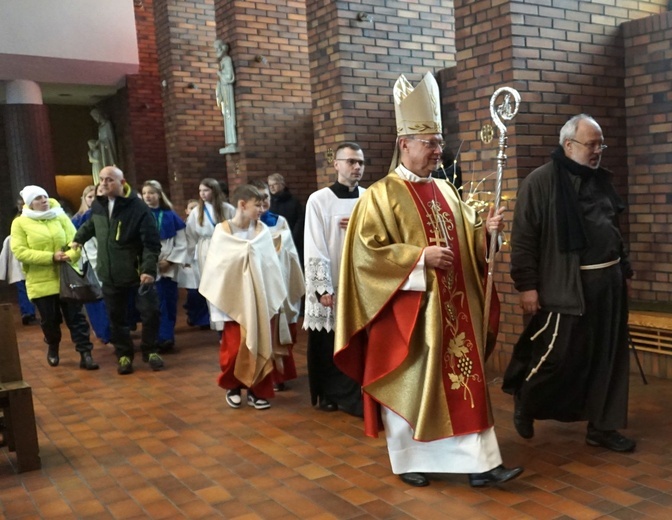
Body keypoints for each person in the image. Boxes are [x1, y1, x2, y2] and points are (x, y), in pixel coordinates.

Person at [334, 72, 522, 488]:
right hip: (409, 316)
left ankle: (481, 464)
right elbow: (366, 255)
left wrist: (486, 232)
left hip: (454, 311)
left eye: (439, 142)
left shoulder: (446, 189)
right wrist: (419, 258)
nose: (439, 150)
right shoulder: (380, 194)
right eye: (430, 143)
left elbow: (469, 238)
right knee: (413, 382)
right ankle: (408, 460)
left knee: (465, 380)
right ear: (405, 144)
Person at [502, 114, 635, 453]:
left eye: (600, 144)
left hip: (609, 283)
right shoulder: (541, 181)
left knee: (608, 359)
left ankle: (602, 427)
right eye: (591, 144)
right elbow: (524, 239)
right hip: (567, 285)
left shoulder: (601, 179)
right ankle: (526, 399)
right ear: (568, 145)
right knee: (558, 357)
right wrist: (526, 286)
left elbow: (613, 229)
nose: (597, 151)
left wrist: (625, 269)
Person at [199, 184, 287, 410]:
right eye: (257, 205)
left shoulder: (262, 232)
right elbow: (218, 268)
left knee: (259, 344)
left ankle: (259, 391)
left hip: (258, 300)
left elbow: (270, 265)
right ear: (242, 204)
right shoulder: (223, 231)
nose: (261, 209)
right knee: (235, 349)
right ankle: (233, 385)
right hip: (233, 300)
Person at [71, 166, 164, 375]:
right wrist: (78, 240)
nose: (103, 184)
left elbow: (151, 243)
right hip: (110, 274)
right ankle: (124, 355)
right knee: (116, 317)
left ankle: (150, 350)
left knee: (151, 313)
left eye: (109, 180)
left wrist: (148, 270)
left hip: (138, 273)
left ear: (122, 183)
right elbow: (92, 225)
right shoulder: (98, 205)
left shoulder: (137, 207)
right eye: (102, 180)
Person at [303, 142, 365, 417]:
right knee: (327, 340)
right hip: (331, 282)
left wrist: (359, 225)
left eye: (360, 162)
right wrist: (322, 288)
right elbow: (314, 245)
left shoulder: (369, 197)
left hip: (361, 283)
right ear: (336, 164)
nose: (357, 167)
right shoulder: (319, 200)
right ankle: (328, 392)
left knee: (356, 340)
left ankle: (356, 392)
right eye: (351, 161)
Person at [11, 185, 99, 370]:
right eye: (38, 198)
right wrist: (51, 257)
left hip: (67, 277)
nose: (43, 200)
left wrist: (70, 255)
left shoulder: (59, 215)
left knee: (77, 318)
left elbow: (74, 239)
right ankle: (53, 345)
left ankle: (85, 353)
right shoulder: (20, 223)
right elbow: (20, 251)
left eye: (45, 196)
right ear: (29, 203)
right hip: (40, 281)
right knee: (50, 320)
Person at [251, 179, 305, 391]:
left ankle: (280, 375)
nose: (263, 202)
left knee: (281, 329)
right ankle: (261, 375)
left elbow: (289, 252)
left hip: (278, 281)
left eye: (266, 197)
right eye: (258, 198)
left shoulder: (278, 221)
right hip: (257, 284)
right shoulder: (244, 225)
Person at [141, 180, 189, 353]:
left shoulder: (170, 215)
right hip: (147, 265)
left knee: (167, 303)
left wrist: (169, 261)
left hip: (167, 264)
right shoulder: (139, 215)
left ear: (159, 195)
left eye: (152, 192)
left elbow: (182, 242)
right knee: (150, 305)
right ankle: (152, 338)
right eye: (145, 192)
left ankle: (166, 337)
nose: (148, 196)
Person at [185, 178, 236, 330]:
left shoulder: (227, 209)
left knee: (225, 284)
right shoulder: (196, 212)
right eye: (200, 191)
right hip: (205, 247)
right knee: (210, 285)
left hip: (224, 247)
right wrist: (189, 256)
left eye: (206, 190)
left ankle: (229, 319)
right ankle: (217, 322)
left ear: (214, 191)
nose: (202, 194)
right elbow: (190, 235)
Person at [71, 185, 110, 345]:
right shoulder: (77, 219)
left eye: (96, 196)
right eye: (89, 197)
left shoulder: (107, 214)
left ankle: (111, 330)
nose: (93, 200)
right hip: (88, 263)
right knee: (94, 299)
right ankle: (103, 332)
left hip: (106, 261)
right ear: (84, 199)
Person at [268, 173, 304, 261]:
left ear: (282, 185)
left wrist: (292, 237)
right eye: (270, 185)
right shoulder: (268, 202)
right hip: (274, 242)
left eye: (275, 184)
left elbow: (300, 221)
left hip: (293, 240)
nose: (272, 187)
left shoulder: (293, 201)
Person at [214, 39, 239, 153]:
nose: (216, 51)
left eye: (218, 48)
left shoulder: (227, 60)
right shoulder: (222, 61)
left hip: (227, 90)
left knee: (229, 114)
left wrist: (219, 73)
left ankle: (232, 141)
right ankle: (230, 142)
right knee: (226, 114)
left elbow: (229, 76)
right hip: (223, 89)